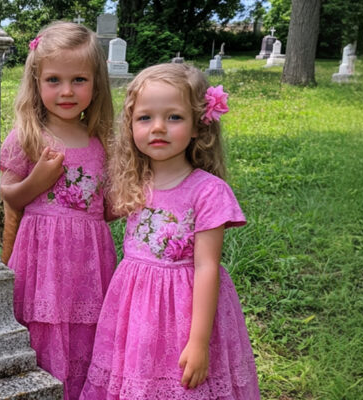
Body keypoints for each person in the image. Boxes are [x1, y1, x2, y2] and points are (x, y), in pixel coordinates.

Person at [80, 63, 260, 399]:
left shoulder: (208, 191)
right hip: (136, 311)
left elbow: (207, 267)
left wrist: (199, 342)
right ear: (130, 126)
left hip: (186, 313)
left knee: (183, 385)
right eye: (145, 118)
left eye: (174, 117)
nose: (158, 127)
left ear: (197, 126)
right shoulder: (134, 182)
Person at [0, 21, 117, 399]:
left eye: (79, 80)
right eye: (54, 80)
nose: (67, 91)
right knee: (43, 331)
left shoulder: (103, 141)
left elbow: (108, 209)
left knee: (87, 331)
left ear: (96, 83)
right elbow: (10, 197)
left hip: (89, 264)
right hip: (41, 263)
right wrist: (40, 179)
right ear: (36, 83)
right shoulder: (28, 137)